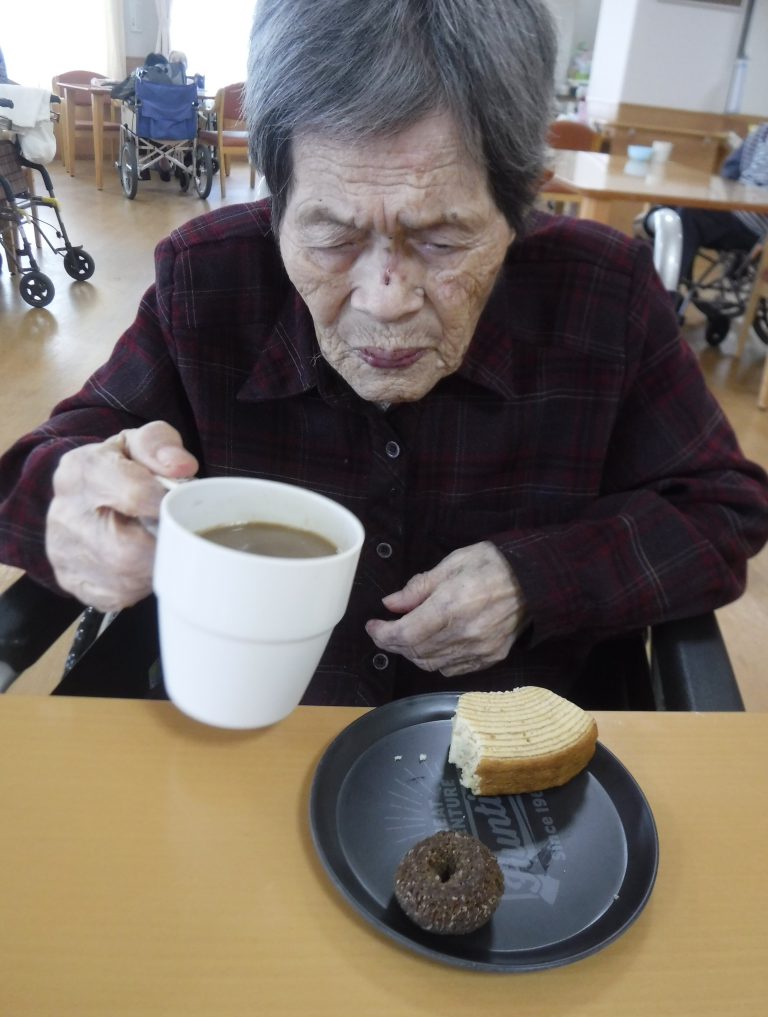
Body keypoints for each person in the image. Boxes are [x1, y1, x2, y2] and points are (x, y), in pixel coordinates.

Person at [1, 0, 767, 707]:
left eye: (442, 240)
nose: (384, 298)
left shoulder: (605, 295)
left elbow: (725, 507)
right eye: (332, 237)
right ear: (274, 191)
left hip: (509, 769)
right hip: (245, 740)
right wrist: (72, 502)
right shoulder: (209, 280)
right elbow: (40, 468)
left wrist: (537, 579)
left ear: (524, 201)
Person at [677, 123, 768, 284]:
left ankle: (660, 294)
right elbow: (731, 171)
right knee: (667, 210)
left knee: (689, 214)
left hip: (756, 228)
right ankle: (646, 286)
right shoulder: (764, 130)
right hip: (734, 211)